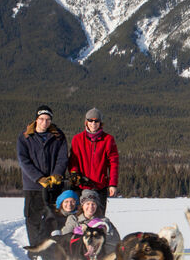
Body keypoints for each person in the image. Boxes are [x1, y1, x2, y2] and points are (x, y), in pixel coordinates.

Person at [17, 105, 69, 248]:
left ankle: (51, 249)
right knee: (33, 219)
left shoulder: (58, 136)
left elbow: (63, 157)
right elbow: (24, 161)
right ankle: (35, 249)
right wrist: (39, 178)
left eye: (47, 119)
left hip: (53, 186)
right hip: (33, 186)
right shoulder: (25, 137)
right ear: (36, 119)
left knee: (53, 218)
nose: (44, 122)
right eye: (41, 119)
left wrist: (57, 175)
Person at [68, 107, 119, 210]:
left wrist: (112, 184)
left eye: (96, 121)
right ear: (86, 122)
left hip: (100, 186)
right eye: (90, 120)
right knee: (80, 218)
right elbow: (73, 160)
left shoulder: (108, 140)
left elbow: (114, 163)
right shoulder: (77, 139)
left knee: (98, 219)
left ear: (100, 123)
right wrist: (75, 174)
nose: (93, 123)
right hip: (81, 186)